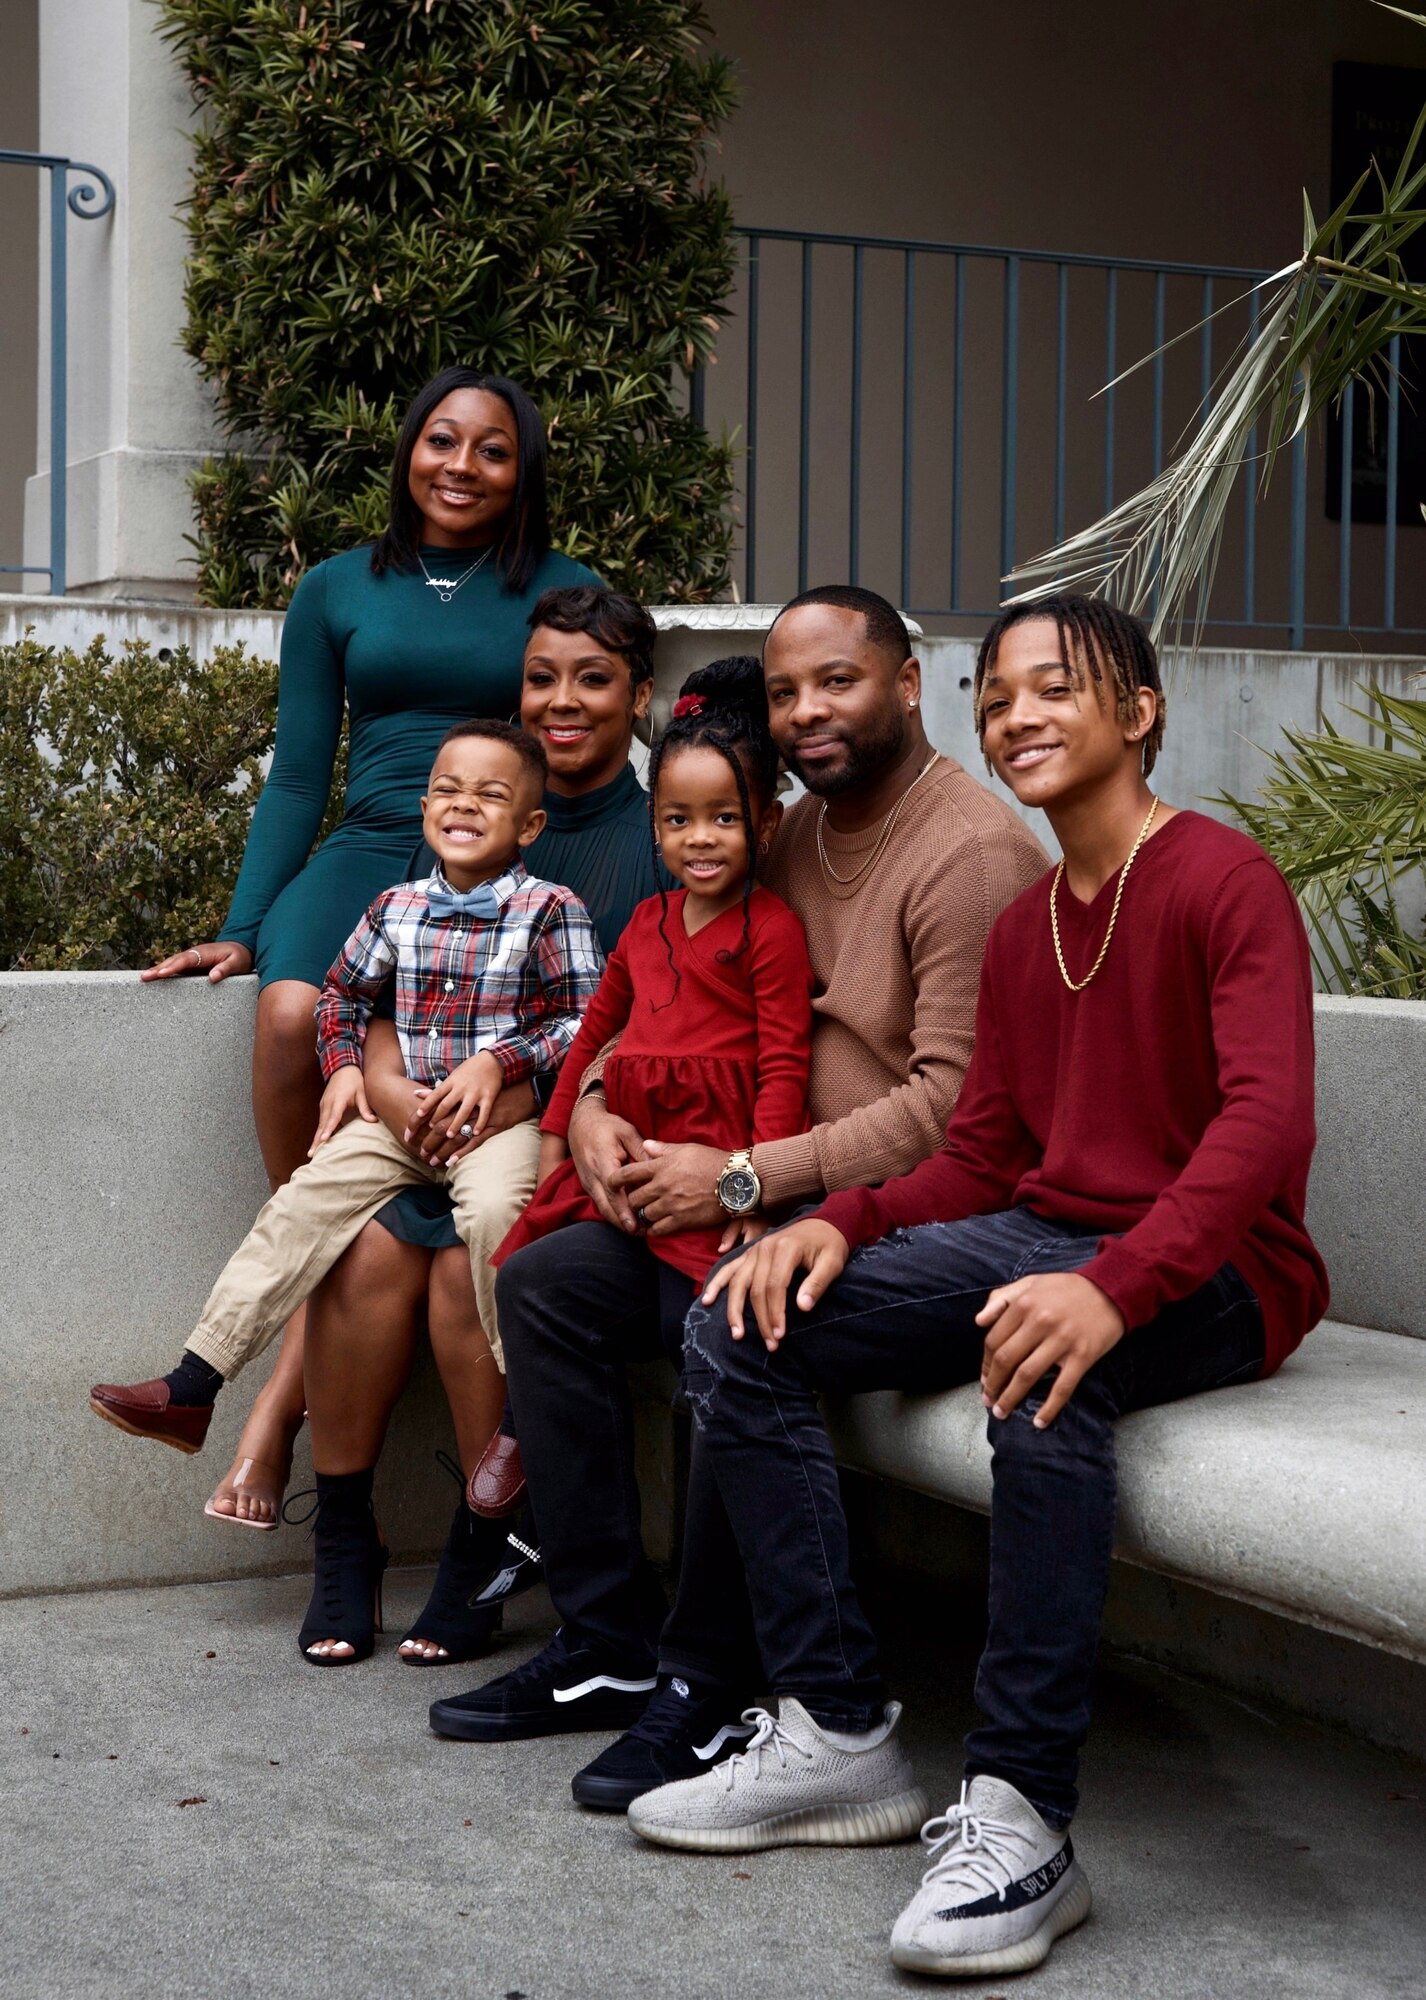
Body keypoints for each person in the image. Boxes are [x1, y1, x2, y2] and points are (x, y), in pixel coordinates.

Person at [621, 597, 1329, 1984]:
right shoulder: (1028, 930)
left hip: (1225, 1265)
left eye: (1055, 688)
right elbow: (988, 1152)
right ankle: (835, 1729)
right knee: (744, 1317)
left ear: (1137, 712)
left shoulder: (1217, 878)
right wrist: (844, 1223)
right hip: (1045, 1235)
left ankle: (1019, 1814)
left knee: (1040, 1367)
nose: (1019, 716)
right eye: (998, 694)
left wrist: (1113, 1291)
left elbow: (1263, 1127)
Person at [428, 586, 1047, 1805]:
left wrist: (754, 1176)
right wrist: (597, 1105)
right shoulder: (787, 830)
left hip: (884, 1211)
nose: (808, 710)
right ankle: (608, 1642)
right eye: (784, 690)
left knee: (735, 1317)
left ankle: (705, 1684)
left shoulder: (971, 854)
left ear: (910, 687)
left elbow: (954, 1110)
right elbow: (667, 988)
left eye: (839, 681)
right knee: (544, 1280)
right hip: (733, 1185)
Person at [137, 367, 601, 1532]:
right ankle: (308, 1314)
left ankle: (275, 1401)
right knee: (293, 1014)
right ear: (407, 451)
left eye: (491, 450)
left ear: (521, 472)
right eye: (439, 440)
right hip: (367, 844)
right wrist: (243, 928)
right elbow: (299, 771)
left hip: (487, 850)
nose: (459, 464)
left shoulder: (560, 588)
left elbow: (583, 734)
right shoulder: (338, 586)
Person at [92, 720, 605, 1662]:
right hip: (399, 1121)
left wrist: (502, 1060)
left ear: (530, 825)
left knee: (498, 1215)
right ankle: (196, 1382)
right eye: (448, 789)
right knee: (303, 1204)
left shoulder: (551, 909)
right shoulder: (395, 905)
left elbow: (587, 1019)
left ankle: (521, 1432)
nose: (463, 805)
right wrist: (347, 1071)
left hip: (494, 1125)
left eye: (491, 795)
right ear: (422, 807)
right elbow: (339, 998)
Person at [269, 585, 670, 1668]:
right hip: (433, 1127)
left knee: (464, 1275)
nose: (562, 699)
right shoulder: (465, 819)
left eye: (593, 678)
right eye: (541, 676)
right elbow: (387, 993)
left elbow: (631, 1030)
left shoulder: (659, 837)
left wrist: (520, 1091)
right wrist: (387, 1085)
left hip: (565, 1137)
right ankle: (344, 1538)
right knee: (366, 1253)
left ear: (641, 697)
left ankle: (483, 1543)